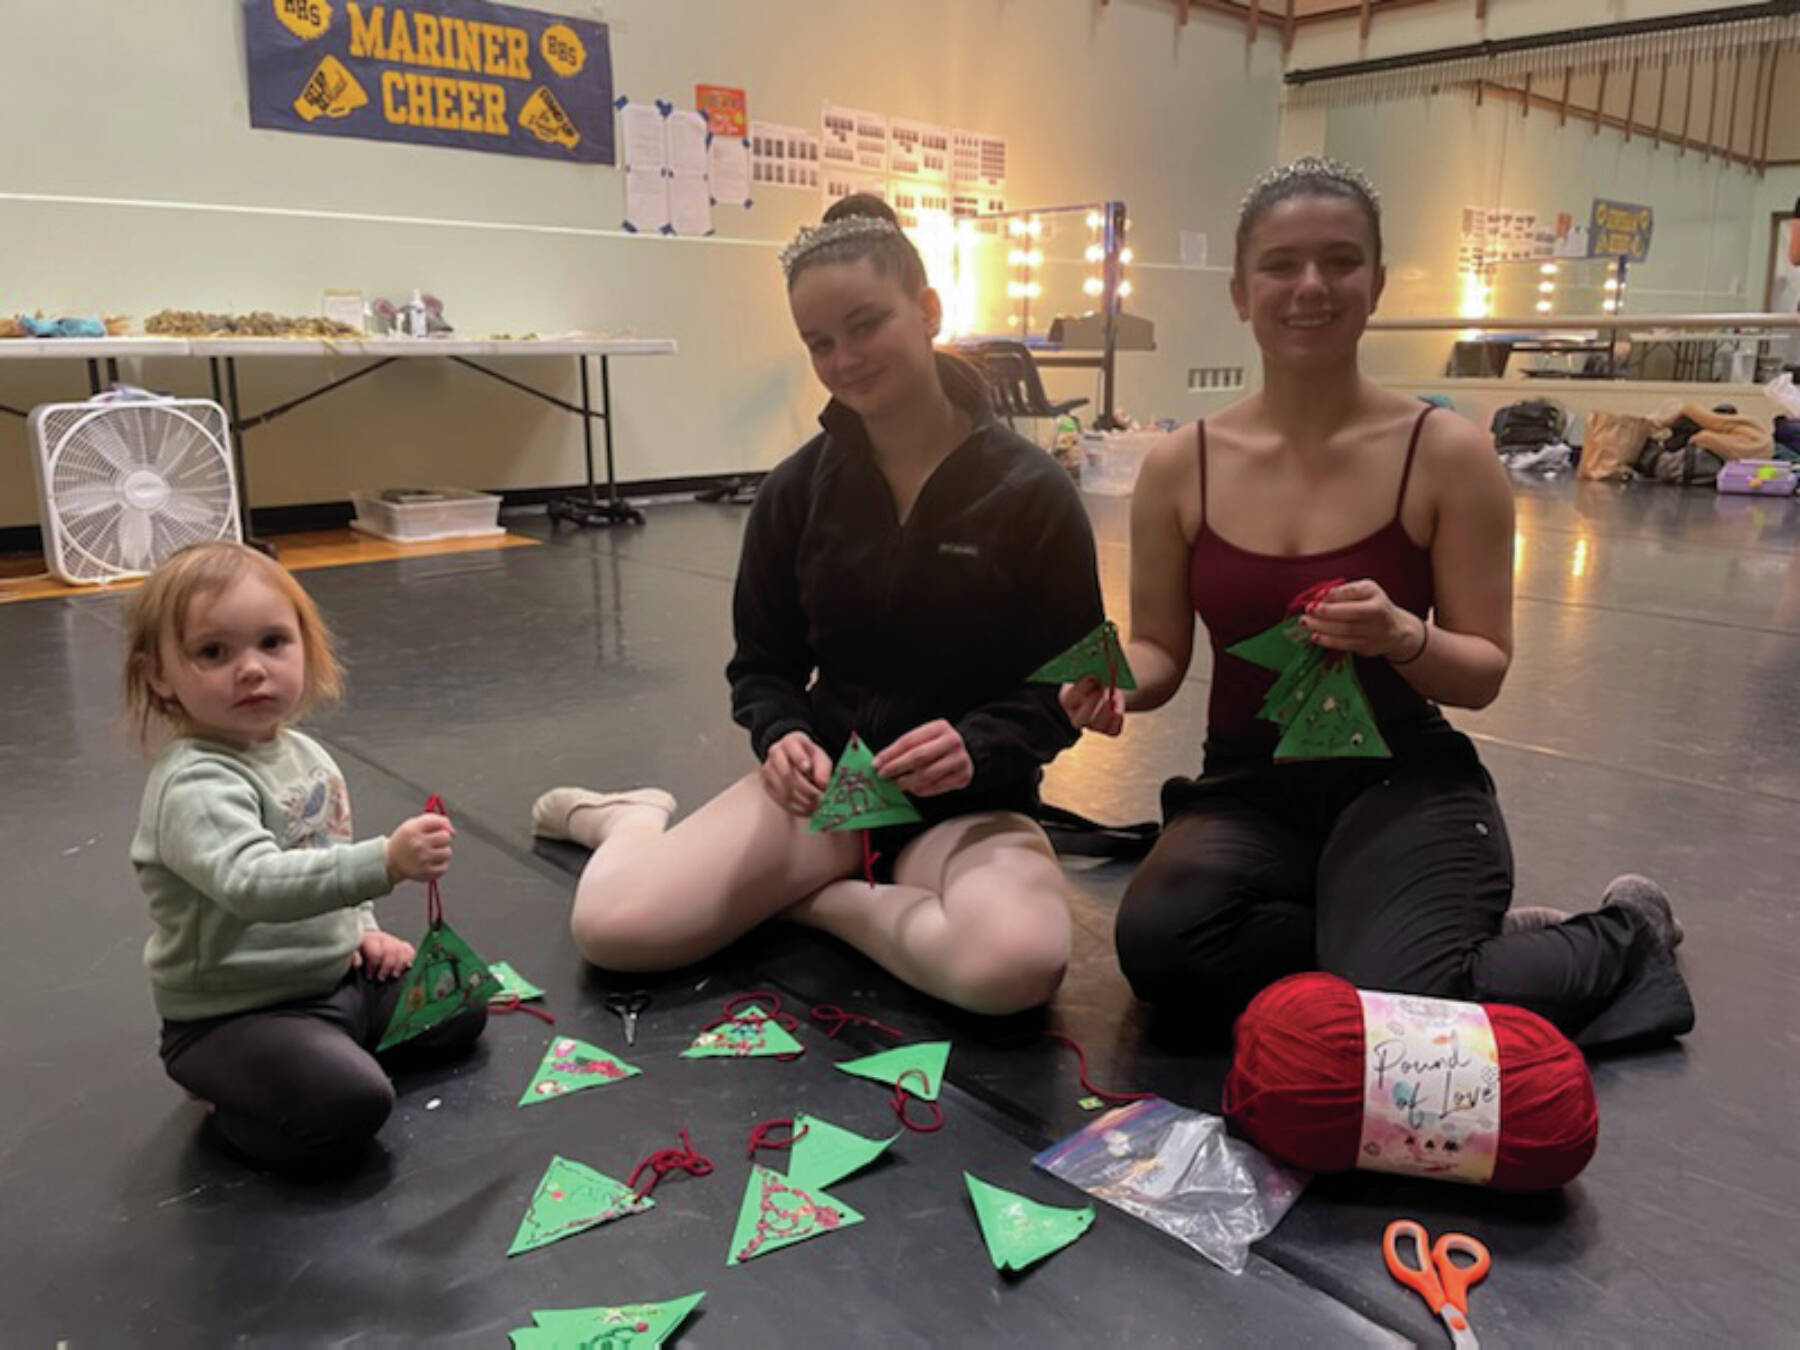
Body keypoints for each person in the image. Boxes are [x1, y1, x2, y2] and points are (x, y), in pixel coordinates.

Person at [1062, 158, 1692, 1048]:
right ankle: (1415, 941)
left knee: (1399, 1018)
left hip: (1405, 781)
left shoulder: (1446, 455)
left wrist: (1403, 636)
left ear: (1378, 283)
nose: (1310, 286)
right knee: (1164, 949)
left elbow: (1481, 675)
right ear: (1241, 292)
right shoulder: (1181, 465)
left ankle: (1627, 932)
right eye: (1281, 265)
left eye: (1340, 262)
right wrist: (1114, 681)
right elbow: (1161, 649)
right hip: (1247, 790)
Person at [533, 195, 1104, 1015]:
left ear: (929, 310)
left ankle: (810, 904)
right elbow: (761, 666)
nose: (845, 359)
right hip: (831, 793)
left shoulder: (1032, 492)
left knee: (1013, 968)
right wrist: (785, 735)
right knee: (613, 930)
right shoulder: (796, 491)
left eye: (866, 325)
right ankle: (629, 821)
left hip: (970, 808)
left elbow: (1073, 687)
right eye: (820, 343)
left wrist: (982, 744)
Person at [126, 542, 484, 1169]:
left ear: (305, 647)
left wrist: (364, 930)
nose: (252, 669)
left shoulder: (305, 757)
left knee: (462, 1000)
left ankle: (323, 1053)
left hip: (332, 981)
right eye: (213, 652)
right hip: (237, 1016)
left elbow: (324, 853)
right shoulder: (196, 784)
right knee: (349, 1107)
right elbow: (254, 884)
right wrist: (388, 862)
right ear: (159, 674)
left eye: (272, 643)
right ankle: (233, 1094)